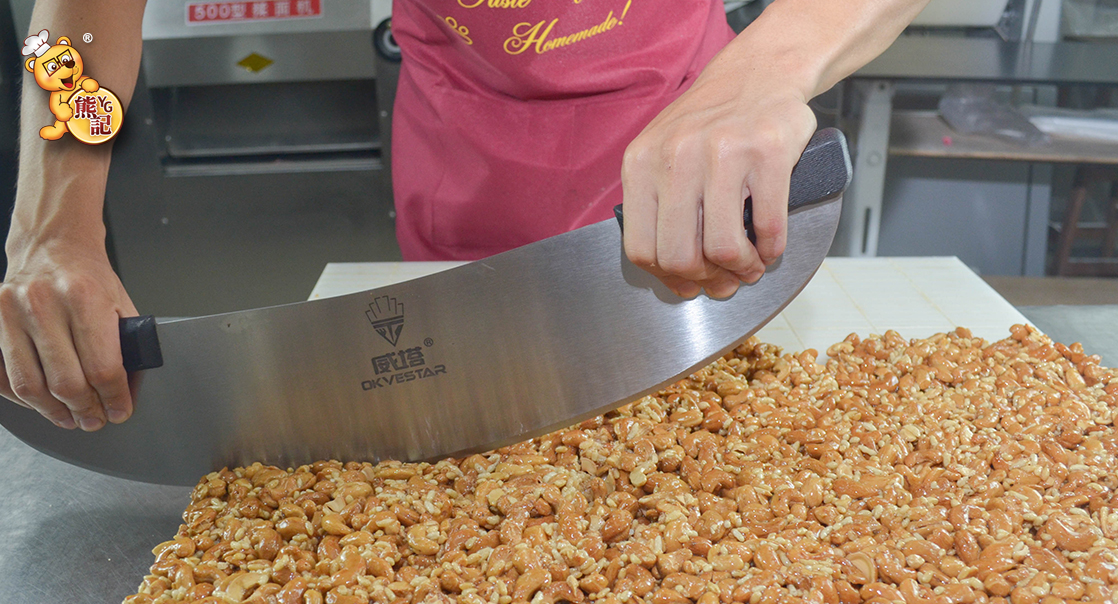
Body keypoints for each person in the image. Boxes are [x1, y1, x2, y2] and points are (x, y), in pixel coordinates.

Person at [1, 0, 928, 432]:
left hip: (695, 159)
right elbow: (73, 20)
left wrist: (760, 77)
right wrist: (52, 217)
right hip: (468, 170)